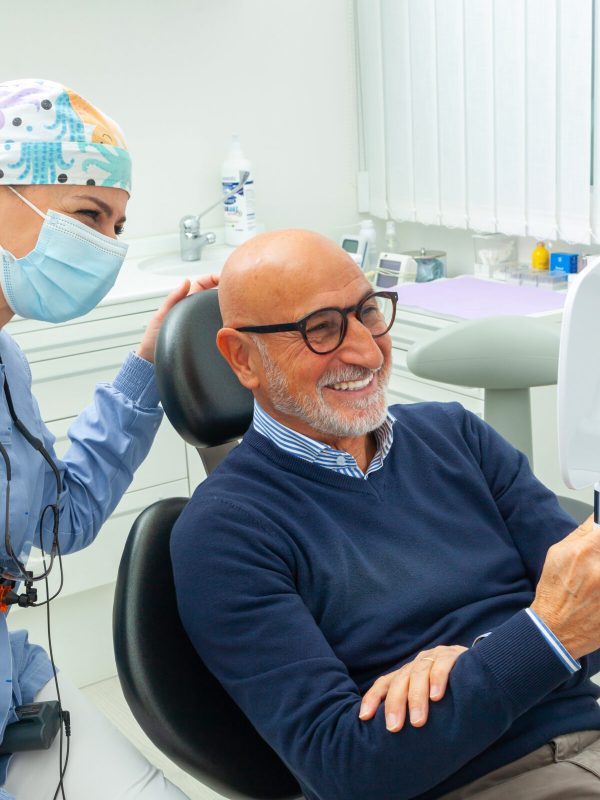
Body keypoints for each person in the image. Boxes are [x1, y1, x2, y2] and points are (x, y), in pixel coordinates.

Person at [171, 228, 600, 800]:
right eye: (320, 328)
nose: (368, 351)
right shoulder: (223, 533)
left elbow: (588, 609)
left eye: (368, 312)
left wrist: (479, 660)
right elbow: (347, 769)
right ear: (242, 357)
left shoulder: (457, 435)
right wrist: (537, 636)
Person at [0, 78, 218, 800]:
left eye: (116, 227)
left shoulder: (7, 361)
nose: (104, 247)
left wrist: (149, 362)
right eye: (88, 214)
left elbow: (57, 518)